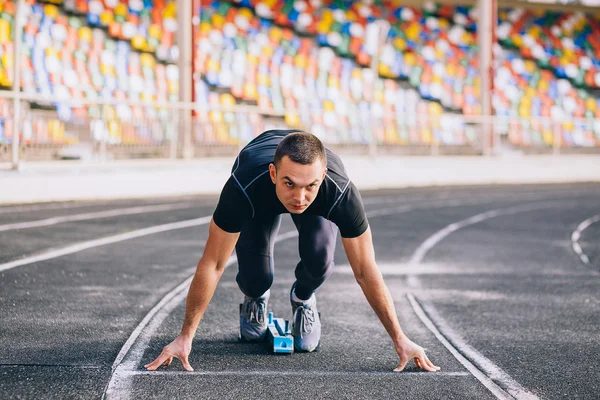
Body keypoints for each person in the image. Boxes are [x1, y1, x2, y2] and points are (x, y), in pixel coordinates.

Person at [144, 130, 440, 373]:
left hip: (312, 200)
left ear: (323, 175)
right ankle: (255, 299)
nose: (299, 197)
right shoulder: (243, 187)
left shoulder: (340, 192)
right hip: (260, 199)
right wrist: (185, 336)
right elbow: (213, 263)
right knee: (256, 276)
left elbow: (365, 270)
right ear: (274, 173)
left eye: (310, 185)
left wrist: (400, 338)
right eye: (290, 184)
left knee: (321, 258)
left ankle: (303, 299)